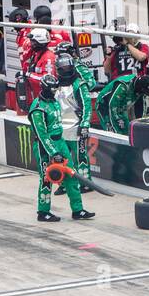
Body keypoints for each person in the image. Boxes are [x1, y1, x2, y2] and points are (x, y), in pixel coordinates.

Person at [27, 73, 94, 222]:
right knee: (46, 179)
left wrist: (60, 148)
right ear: (44, 88)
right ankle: (43, 212)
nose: (54, 92)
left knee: (71, 174)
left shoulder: (54, 101)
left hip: (61, 142)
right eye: (52, 89)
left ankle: (78, 210)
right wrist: (53, 152)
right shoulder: (38, 108)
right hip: (44, 147)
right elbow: (42, 135)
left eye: (55, 89)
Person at [57, 43, 95, 189]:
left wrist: (85, 124)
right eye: (62, 67)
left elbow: (86, 106)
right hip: (60, 129)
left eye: (67, 66)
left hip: (76, 127)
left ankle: (86, 183)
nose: (65, 69)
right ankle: (64, 184)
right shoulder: (56, 84)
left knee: (81, 158)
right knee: (62, 158)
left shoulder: (80, 84)